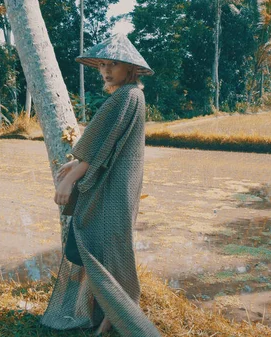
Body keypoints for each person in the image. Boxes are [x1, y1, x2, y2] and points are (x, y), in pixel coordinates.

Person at [40, 33, 161, 337]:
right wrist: (74, 164)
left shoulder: (126, 97)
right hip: (119, 189)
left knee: (95, 249)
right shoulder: (131, 95)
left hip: (113, 191)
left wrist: (69, 179)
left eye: (114, 65)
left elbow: (101, 145)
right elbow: (104, 143)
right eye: (103, 65)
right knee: (109, 253)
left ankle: (119, 316)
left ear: (130, 69)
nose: (107, 71)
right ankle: (106, 319)